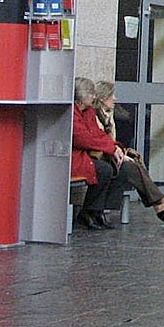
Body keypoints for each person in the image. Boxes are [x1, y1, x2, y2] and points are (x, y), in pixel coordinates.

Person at [92, 81, 164, 222]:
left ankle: (160, 206)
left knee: (133, 160)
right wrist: (115, 151)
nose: (115, 98)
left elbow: (110, 139)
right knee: (129, 166)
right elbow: (97, 140)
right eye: (112, 95)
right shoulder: (94, 116)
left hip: (109, 155)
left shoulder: (108, 115)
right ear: (102, 98)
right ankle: (162, 201)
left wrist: (119, 151)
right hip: (100, 158)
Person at [71, 77, 131, 230]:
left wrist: (114, 146)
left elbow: (97, 133)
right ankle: (90, 211)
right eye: (91, 93)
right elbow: (82, 139)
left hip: (85, 154)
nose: (94, 96)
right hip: (74, 156)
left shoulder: (88, 111)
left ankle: (96, 210)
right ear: (83, 95)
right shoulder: (72, 113)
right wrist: (111, 148)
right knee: (104, 170)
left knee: (118, 168)